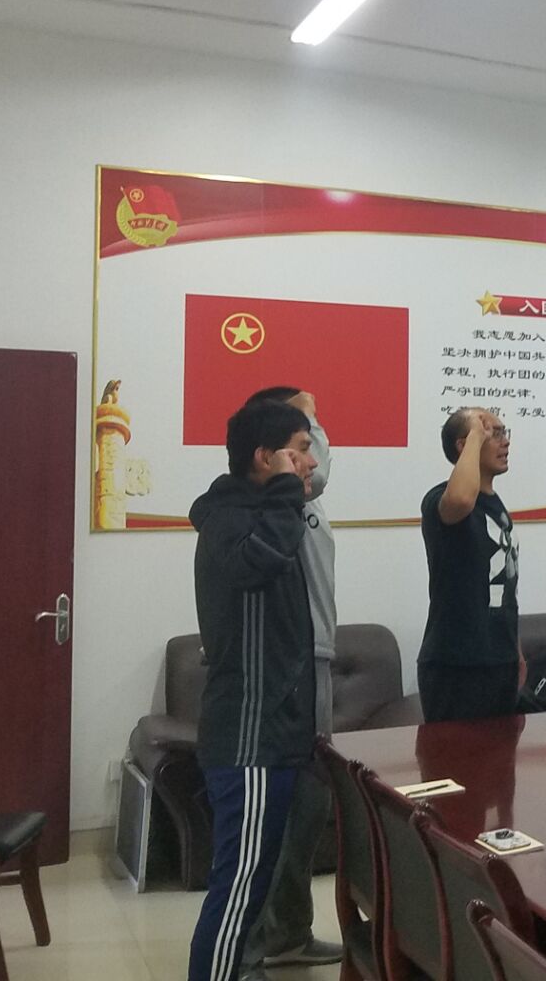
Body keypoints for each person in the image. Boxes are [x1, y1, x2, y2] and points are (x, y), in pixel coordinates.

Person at [186, 400, 319, 981]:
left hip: (273, 733)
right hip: (249, 737)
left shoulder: (259, 512)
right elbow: (257, 562)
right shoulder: (231, 519)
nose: (312, 462)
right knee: (238, 889)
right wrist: (287, 493)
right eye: (301, 449)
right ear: (266, 457)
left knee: (253, 883)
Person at [236, 388, 342, 977]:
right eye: (304, 439)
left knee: (307, 807)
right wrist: (306, 409)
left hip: (315, 660)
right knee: (278, 814)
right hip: (295, 666)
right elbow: (315, 473)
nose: (314, 454)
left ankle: (289, 931)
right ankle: (251, 947)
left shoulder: (302, 498)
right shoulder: (275, 500)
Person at [418, 407, 524, 721]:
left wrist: (515, 651)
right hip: (456, 663)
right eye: (494, 432)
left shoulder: (496, 505)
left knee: (501, 752)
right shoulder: (440, 498)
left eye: (504, 432)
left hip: (500, 660)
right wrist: (476, 433)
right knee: (456, 753)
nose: (505, 441)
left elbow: (504, 587)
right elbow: (462, 500)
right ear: (464, 444)